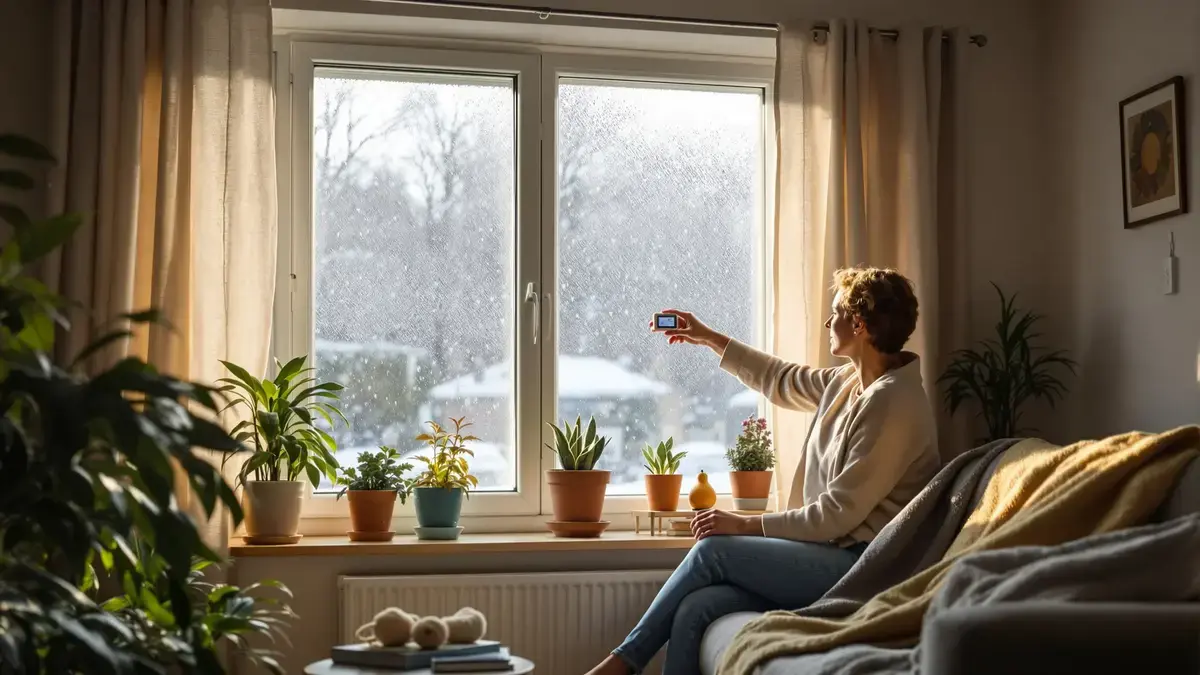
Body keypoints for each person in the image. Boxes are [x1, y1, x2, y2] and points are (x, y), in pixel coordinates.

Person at [585, 266, 941, 675]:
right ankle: (623, 663)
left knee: (712, 551)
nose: (828, 322)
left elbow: (835, 515)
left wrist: (743, 525)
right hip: (828, 552)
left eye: (836, 313)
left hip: (862, 566)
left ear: (858, 324)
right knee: (696, 608)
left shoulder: (894, 403)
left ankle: (621, 663)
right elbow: (780, 378)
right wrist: (707, 337)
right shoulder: (848, 382)